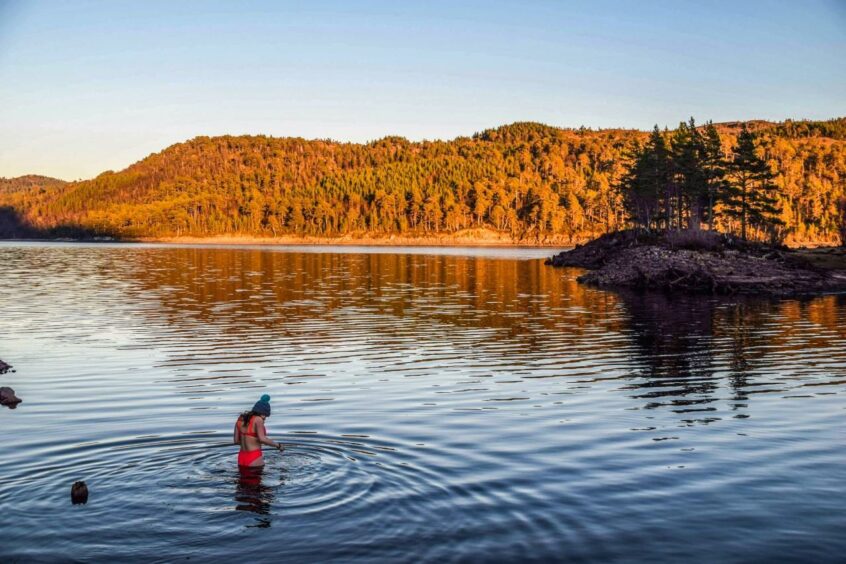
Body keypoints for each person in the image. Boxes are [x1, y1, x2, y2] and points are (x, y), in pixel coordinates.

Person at [234, 394, 283, 467]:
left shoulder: (240, 419)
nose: (265, 418)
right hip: (254, 457)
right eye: (265, 416)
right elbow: (262, 439)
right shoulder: (258, 419)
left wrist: (248, 442)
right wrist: (278, 445)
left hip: (241, 457)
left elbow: (236, 441)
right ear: (263, 413)